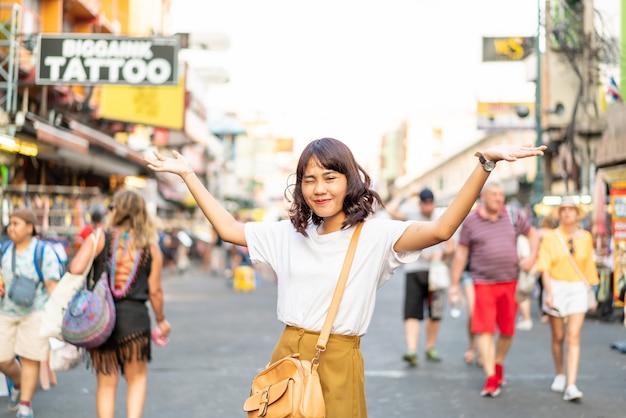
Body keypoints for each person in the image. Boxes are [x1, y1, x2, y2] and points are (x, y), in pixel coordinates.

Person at [146, 138, 545, 417]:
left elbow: (441, 230)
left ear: (349, 180)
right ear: (299, 186)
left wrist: (484, 166)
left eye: (330, 177)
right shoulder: (289, 234)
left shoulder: (376, 235)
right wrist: (187, 175)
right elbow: (229, 229)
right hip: (287, 353)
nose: (319, 189)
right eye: (309, 179)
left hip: (338, 358)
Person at [68, 190, 170, 418]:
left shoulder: (99, 236)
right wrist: (162, 321)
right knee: (137, 380)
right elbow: (155, 291)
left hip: (101, 319)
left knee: (106, 384)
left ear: (116, 211)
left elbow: (75, 268)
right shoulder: (151, 248)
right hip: (135, 322)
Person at [448, 182, 540, 398]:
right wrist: (454, 285)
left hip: (511, 282)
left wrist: (533, 255)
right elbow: (461, 254)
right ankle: (491, 376)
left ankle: (497, 363)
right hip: (483, 283)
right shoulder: (471, 222)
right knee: (485, 330)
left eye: (501, 195)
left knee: (507, 331)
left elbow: (533, 235)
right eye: (495, 194)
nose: (499, 198)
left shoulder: (513, 216)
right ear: (483, 196)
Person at [0, 208, 62, 418]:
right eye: (11, 223)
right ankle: (18, 384)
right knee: (3, 360)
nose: (11, 228)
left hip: (35, 313)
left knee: (30, 359)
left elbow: (53, 285)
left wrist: (60, 314)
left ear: (30, 227)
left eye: (16, 223)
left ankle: (25, 404)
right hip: (5, 312)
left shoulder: (43, 252)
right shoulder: (4, 250)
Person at [536, 196, 599, 402]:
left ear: (577, 214)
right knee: (558, 336)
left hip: (578, 289)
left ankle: (571, 384)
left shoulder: (586, 237)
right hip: (556, 286)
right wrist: (549, 292)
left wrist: (593, 291)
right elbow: (544, 266)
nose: (567, 213)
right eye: (563, 210)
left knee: (573, 336)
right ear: (559, 214)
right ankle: (560, 373)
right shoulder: (551, 237)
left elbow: (589, 265)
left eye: (571, 210)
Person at [386, 187, 455, 365]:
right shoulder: (411, 213)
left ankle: (430, 347)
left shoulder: (441, 216)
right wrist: (405, 195)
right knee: (412, 312)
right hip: (415, 269)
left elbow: (451, 246)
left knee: (435, 313)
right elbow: (389, 210)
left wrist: (443, 255)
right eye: (425, 203)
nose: (428, 207)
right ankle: (412, 350)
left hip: (436, 272)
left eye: (431, 203)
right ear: (420, 203)